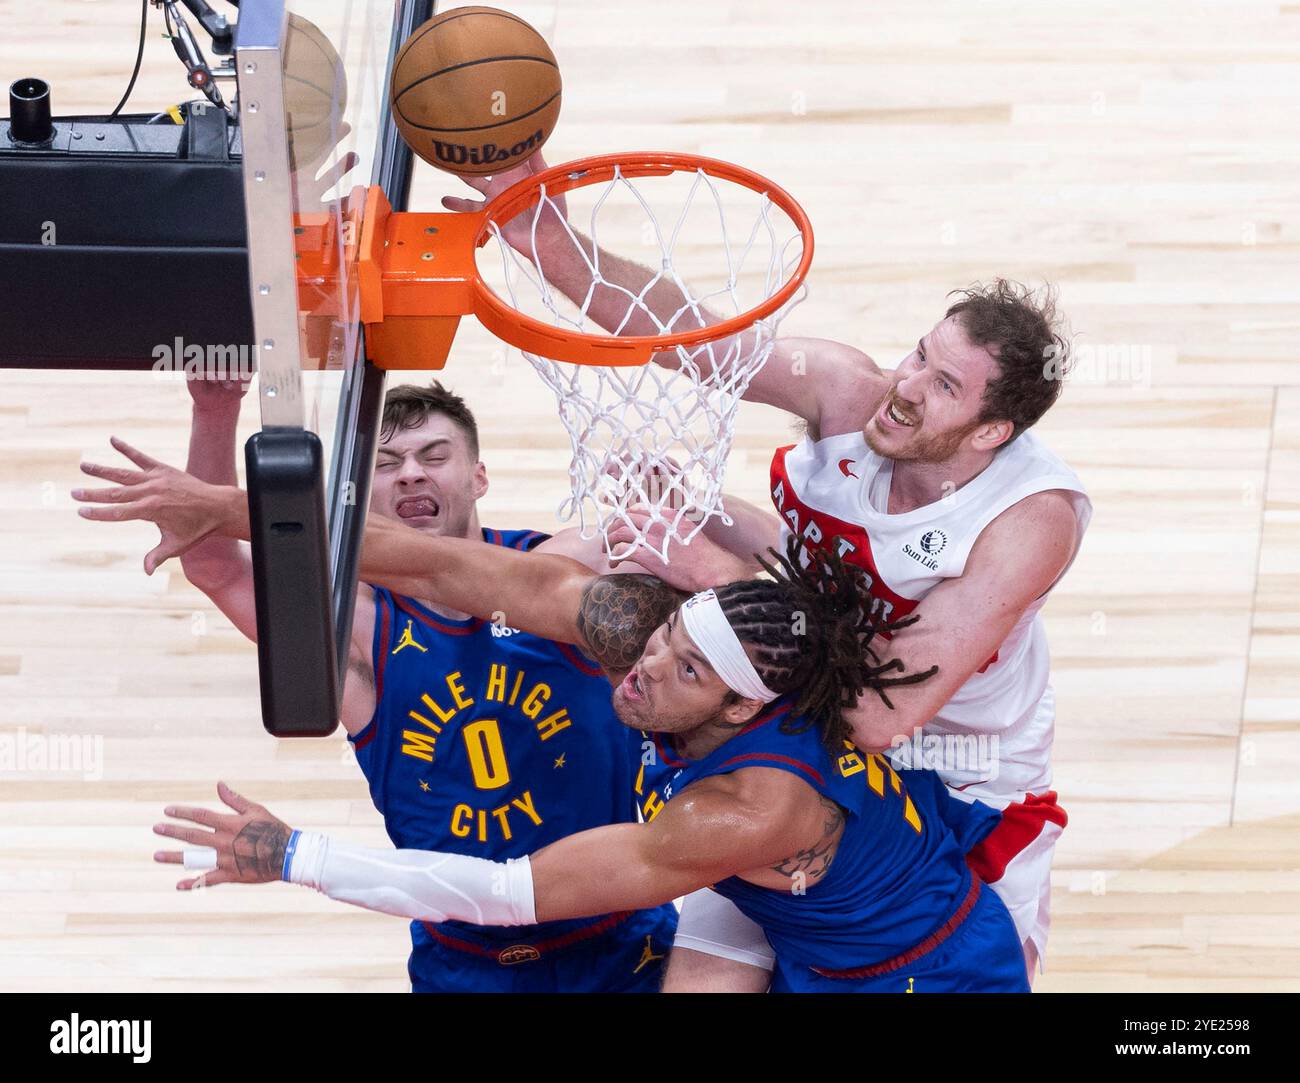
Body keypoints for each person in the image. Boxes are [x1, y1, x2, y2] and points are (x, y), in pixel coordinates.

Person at [441, 154, 1092, 982]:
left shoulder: (1028, 522)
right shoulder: (849, 391)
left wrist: (717, 575)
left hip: (954, 774)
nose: (906, 385)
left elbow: (875, 713)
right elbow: (687, 335)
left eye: (944, 384)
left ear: (990, 433)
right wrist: (548, 236)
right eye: (918, 355)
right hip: (790, 737)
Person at [141, 508, 1029, 993]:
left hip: (924, 970)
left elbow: (505, 892)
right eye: (664, 635)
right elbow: (448, 567)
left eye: (682, 667)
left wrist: (295, 853)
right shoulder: (661, 648)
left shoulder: (746, 808)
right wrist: (236, 509)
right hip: (815, 934)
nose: (644, 667)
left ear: (735, 704)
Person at [84, 376, 676, 993]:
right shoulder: (355, 625)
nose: (412, 475)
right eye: (388, 464)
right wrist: (216, 407)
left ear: (478, 477)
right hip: (465, 959)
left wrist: (676, 498)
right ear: (360, 500)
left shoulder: (565, 573)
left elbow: (701, 561)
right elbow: (214, 565)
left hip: (622, 937)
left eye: (435, 456)